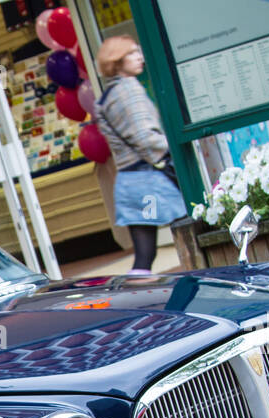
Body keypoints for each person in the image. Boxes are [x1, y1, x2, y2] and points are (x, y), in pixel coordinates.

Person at [93, 37, 187, 273]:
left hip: (130, 182)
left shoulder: (107, 96)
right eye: (132, 53)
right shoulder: (128, 90)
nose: (140, 57)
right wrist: (172, 150)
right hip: (150, 181)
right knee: (191, 227)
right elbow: (145, 138)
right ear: (117, 60)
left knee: (145, 255)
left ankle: (140, 296)